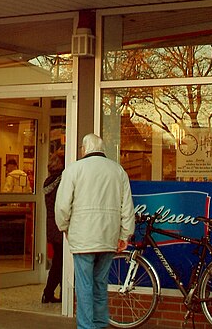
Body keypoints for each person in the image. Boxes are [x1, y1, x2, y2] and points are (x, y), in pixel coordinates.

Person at [55, 134, 134, 329]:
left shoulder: (74, 170)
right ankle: (100, 324)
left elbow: (63, 206)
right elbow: (127, 207)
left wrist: (64, 227)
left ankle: (86, 326)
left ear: (84, 149)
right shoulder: (118, 170)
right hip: (108, 236)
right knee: (100, 284)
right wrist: (125, 235)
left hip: (83, 237)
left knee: (84, 286)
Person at [42, 150, 65, 303]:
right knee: (60, 261)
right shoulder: (62, 181)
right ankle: (49, 292)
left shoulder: (48, 181)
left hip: (51, 224)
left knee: (59, 259)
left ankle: (54, 293)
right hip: (60, 224)